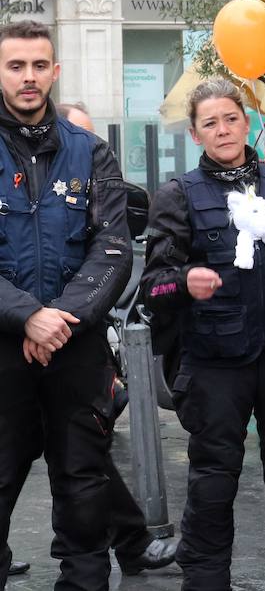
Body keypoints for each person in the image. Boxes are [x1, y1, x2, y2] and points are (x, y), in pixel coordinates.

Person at [140, 78, 265, 591]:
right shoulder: (177, 196)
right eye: (209, 123)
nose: (223, 129)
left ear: (247, 121)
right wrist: (184, 283)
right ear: (194, 134)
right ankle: (206, 580)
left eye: (230, 118)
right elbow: (152, 287)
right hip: (215, 360)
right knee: (212, 478)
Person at [0, 21, 132, 589]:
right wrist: (26, 313)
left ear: (55, 71)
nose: (28, 78)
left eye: (38, 66)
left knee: (83, 487)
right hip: (3, 350)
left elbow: (114, 247)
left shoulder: (92, 153)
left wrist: (58, 319)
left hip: (75, 350)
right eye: (15, 66)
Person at [56, 100, 179, 577]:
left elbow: (111, 253)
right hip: (22, 336)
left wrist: (71, 316)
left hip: (75, 337)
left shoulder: (97, 181)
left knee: (85, 454)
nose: (87, 149)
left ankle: (128, 542)